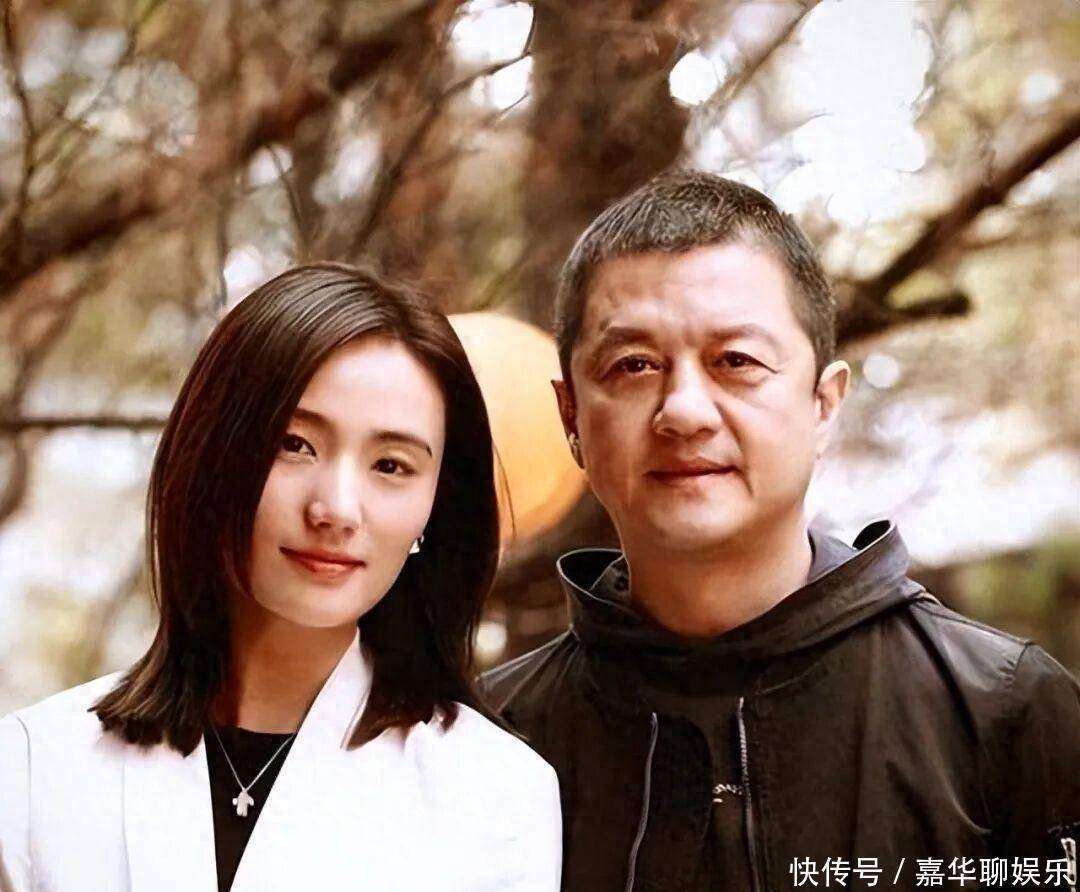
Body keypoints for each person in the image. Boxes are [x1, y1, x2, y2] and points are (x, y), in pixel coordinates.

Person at [482, 172, 1080, 891]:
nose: (685, 412)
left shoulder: (1001, 709)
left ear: (824, 405)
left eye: (736, 361)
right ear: (571, 416)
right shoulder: (487, 743)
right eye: (633, 365)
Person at [0, 263, 561, 892]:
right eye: (295, 444)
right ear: (213, 453)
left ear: (435, 506)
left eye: (390, 465)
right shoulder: (34, 770)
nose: (336, 509)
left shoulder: (496, 799)